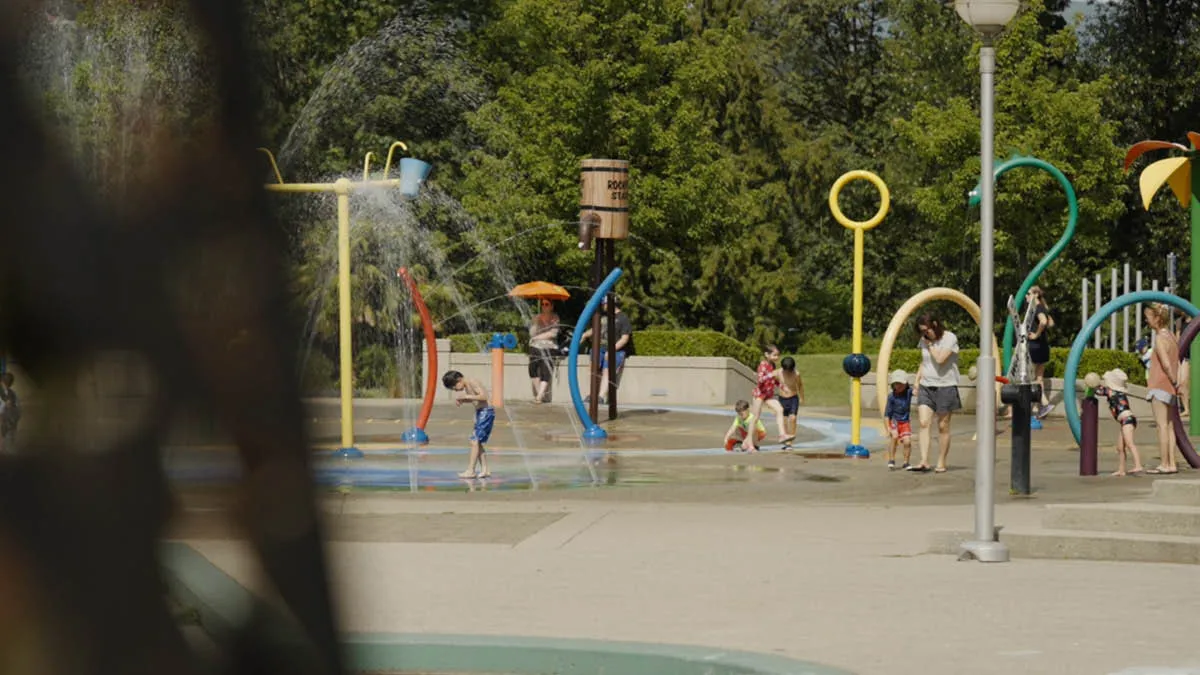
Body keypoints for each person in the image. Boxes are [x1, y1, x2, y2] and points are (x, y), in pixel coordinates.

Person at [910, 313, 961, 473]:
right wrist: (917, 382)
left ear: (935, 324)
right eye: (922, 332)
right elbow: (924, 362)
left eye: (927, 330)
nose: (925, 334)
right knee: (924, 422)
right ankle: (924, 460)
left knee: (943, 426)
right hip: (926, 385)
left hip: (946, 386)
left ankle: (941, 462)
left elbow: (940, 359)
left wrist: (930, 345)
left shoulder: (949, 338)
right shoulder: (924, 340)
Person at [1145, 303, 1181, 475]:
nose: (1147, 321)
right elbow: (1176, 362)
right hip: (1171, 387)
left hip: (1160, 384)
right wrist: (1177, 382)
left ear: (1157, 319)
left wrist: (1173, 379)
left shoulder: (1160, 338)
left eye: (1149, 318)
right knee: (1170, 425)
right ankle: (1172, 462)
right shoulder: (1173, 337)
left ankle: (1165, 463)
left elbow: (1166, 363)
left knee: (1161, 426)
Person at [579, 296, 633, 405]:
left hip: (616, 351)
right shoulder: (603, 316)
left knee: (607, 371)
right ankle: (592, 394)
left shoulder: (623, 318)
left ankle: (601, 397)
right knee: (593, 368)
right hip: (600, 348)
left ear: (610, 303)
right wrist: (584, 335)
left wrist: (612, 350)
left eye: (604, 303)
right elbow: (596, 329)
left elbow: (624, 339)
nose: (603, 306)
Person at [442, 370, 494, 478]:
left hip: (486, 412)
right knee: (477, 442)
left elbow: (484, 397)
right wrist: (464, 400)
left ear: (459, 380)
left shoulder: (472, 381)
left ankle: (471, 470)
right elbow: (476, 399)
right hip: (481, 412)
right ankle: (485, 470)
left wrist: (466, 397)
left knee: (474, 441)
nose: (455, 390)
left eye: (454, 387)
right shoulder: (467, 385)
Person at [1093, 369, 1145, 477]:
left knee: (1130, 443)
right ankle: (1121, 470)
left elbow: (1098, 391)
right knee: (1120, 447)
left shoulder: (1112, 392)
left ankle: (1138, 465)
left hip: (1127, 420)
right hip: (1125, 421)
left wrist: (1093, 382)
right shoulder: (1118, 393)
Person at [748, 344, 789, 445]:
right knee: (755, 417)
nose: (777, 357)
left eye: (777, 355)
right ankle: (748, 441)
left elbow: (774, 380)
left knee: (780, 409)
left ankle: (782, 435)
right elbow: (760, 380)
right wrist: (771, 374)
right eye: (774, 355)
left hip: (768, 395)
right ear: (767, 354)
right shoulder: (763, 365)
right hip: (760, 394)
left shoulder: (772, 365)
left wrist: (782, 386)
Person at [1026, 286, 1055, 419]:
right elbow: (1051, 323)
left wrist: (1036, 334)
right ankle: (1041, 406)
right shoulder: (1043, 308)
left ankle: (1041, 404)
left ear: (1036, 295)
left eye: (1028, 294)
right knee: (1038, 378)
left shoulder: (1038, 308)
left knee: (1028, 377)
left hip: (1035, 345)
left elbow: (1043, 322)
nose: (1026, 296)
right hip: (1043, 346)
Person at [527, 299, 559, 403]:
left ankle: (540, 396)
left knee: (546, 368)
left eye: (547, 304)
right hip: (536, 346)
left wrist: (538, 338)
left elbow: (553, 333)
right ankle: (539, 395)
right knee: (532, 368)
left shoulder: (555, 318)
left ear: (552, 306)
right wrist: (536, 322)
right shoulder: (536, 317)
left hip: (549, 346)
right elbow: (532, 334)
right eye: (543, 304)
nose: (544, 306)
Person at [883, 369, 913, 470]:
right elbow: (887, 414)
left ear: (906, 384)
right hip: (895, 421)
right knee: (894, 437)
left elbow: (917, 391)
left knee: (907, 442)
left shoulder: (909, 393)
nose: (898, 386)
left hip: (905, 422)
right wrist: (888, 428)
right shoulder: (891, 397)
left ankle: (906, 462)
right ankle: (891, 459)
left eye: (901, 384)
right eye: (896, 384)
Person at [774, 356, 804, 448]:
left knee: (793, 418)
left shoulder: (796, 374)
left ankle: (791, 440)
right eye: (786, 370)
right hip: (782, 399)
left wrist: (802, 397)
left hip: (793, 398)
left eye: (789, 370)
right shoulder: (778, 373)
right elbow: (772, 382)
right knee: (784, 420)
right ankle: (786, 438)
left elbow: (800, 385)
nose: (787, 372)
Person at [0, 372, 18, 453]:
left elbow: (8, 407)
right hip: (6, 421)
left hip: (7, 421)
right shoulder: (6, 393)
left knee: (7, 442)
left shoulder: (10, 394)